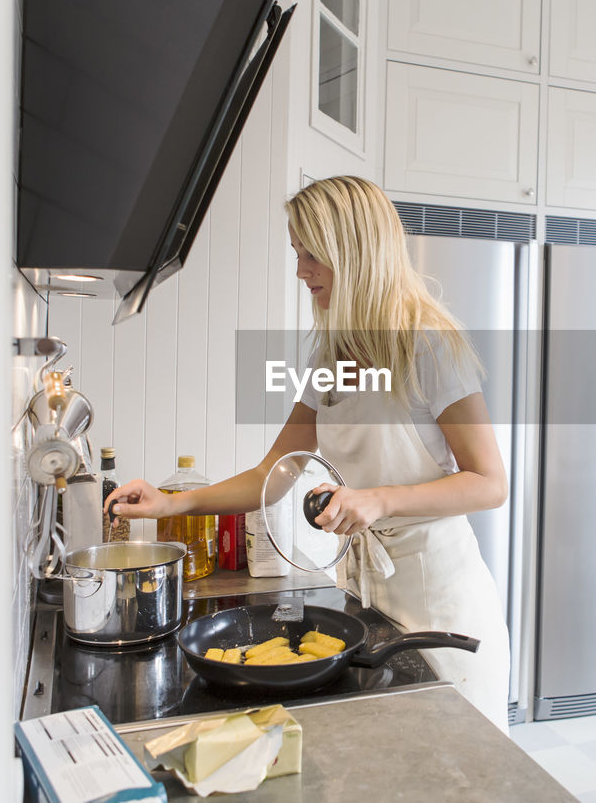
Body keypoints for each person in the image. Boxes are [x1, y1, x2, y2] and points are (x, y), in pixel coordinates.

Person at [105, 175, 511, 730]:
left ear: (356, 250)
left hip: (441, 604)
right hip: (371, 601)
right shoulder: (332, 357)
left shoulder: (430, 345)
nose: (301, 272)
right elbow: (273, 473)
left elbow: (489, 482)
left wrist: (378, 501)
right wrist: (170, 504)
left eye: (312, 254)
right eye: (297, 254)